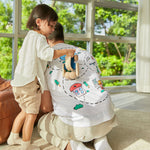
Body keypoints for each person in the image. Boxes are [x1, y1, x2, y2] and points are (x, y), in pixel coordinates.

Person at [38, 22, 118, 150]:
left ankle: (73, 145)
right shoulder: (85, 53)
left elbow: (46, 107)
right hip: (107, 120)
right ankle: (100, 138)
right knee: (92, 112)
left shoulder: (45, 61)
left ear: (45, 38)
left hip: (77, 127)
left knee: (41, 125)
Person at [7, 5, 75, 150]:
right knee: (31, 115)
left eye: (54, 26)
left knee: (24, 111)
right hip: (29, 83)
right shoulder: (40, 38)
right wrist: (66, 51)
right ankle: (26, 144)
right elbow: (47, 55)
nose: (52, 30)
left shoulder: (29, 36)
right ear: (39, 22)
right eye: (50, 25)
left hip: (18, 82)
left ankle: (13, 137)